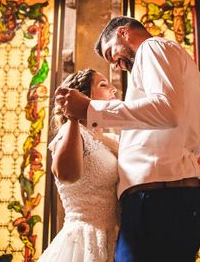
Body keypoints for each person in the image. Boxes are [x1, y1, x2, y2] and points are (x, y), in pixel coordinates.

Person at [55, 16, 200, 262]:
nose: (116, 66)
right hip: (172, 195)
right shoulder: (171, 61)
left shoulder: (152, 47)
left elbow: (166, 110)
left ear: (124, 33)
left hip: (158, 200)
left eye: (110, 53)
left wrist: (91, 110)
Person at [39, 69, 120, 262]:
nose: (113, 89)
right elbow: (66, 175)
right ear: (82, 97)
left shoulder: (110, 139)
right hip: (85, 239)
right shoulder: (71, 132)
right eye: (103, 85)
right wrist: (74, 117)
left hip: (117, 237)